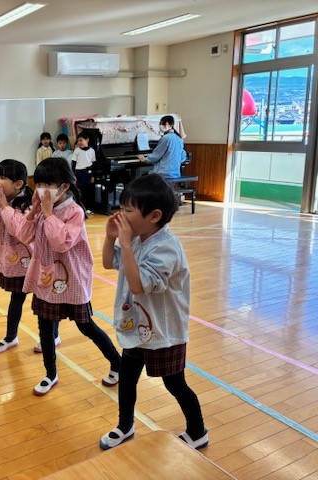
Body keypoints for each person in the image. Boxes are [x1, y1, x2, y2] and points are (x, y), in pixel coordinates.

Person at [100, 174, 207, 451]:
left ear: (154, 216)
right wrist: (111, 238)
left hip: (163, 330)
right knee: (127, 377)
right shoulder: (137, 237)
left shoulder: (166, 247)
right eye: (121, 207)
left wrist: (125, 244)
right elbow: (108, 263)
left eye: (128, 210)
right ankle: (125, 425)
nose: (121, 215)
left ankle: (198, 431)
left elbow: (138, 286)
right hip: (136, 324)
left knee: (174, 383)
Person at [14, 157, 121, 396]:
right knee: (44, 327)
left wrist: (48, 214)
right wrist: (35, 210)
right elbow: (23, 235)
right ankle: (50, 374)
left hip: (71, 279)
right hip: (46, 279)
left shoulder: (75, 212)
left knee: (86, 326)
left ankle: (117, 362)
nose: (42, 189)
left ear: (64, 186)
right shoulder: (41, 210)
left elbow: (61, 243)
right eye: (38, 183)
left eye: (48, 184)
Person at [0, 159, 57, 354]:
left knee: (44, 301)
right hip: (14, 263)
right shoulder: (2, 203)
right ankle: (11, 336)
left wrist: (3, 206)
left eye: (2, 177)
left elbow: (19, 230)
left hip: (34, 262)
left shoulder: (29, 204)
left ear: (18, 184)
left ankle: (53, 336)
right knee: (16, 299)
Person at [138, 115, 187, 179]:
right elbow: (183, 157)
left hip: (163, 173)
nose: (161, 126)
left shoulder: (166, 138)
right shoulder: (179, 139)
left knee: (141, 178)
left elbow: (156, 155)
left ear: (171, 126)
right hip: (175, 174)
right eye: (161, 124)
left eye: (164, 124)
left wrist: (145, 159)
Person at [71, 131, 96, 214]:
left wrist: (92, 175)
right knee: (80, 191)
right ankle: (81, 208)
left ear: (87, 140)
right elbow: (73, 164)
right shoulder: (77, 151)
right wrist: (73, 175)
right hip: (79, 172)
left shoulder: (92, 150)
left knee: (89, 190)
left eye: (81, 140)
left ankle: (88, 208)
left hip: (88, 172)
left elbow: (93, 163)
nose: (79, 142)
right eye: (78, 141)